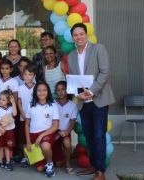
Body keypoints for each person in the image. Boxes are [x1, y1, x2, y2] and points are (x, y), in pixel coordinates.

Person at [68, 23, 115, 180]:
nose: (79, 37)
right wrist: (78, 94)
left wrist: (92, 91)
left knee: (99, 135)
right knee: (88, 135)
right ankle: (94, 166)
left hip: (99, 100)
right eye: (75, 35)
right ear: (72, 37)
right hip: (83, 102)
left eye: (81, 34)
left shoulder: (98, 49)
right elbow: (75, 80)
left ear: (86, 35)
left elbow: (104, 72)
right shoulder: (71, 56)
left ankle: (100, 172)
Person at [25, 82, 59, 177]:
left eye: (44, 90)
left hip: (47, 134)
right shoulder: (31, 105)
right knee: (40, 169)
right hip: (33, 136)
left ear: (48, 92)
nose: (41, 93)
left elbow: (55, 125)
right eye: (39, 90)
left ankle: (50, 164)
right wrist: (28, 142)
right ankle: (44, 160)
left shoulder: (53, 105)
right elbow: (27, 124)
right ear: (35, 92)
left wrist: (41, 135)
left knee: (45, 146)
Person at [52, 81, 77, 175]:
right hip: (54, 132)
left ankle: (68, 163)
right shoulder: (53, 104)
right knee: (58, 165)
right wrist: (57, 132)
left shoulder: (72, 105)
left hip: (65, 133)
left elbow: (72, 122)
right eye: (58, 90)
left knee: (67, 143)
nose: (61, 92)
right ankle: (61, 156)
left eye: (63, 89)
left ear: (67, 90)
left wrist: (67, 132)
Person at [17, 64, 37, 167]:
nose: (27, 76)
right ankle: (26, 157)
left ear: (34, 76)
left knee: (33, 136)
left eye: (30, 74)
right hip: (23, 117)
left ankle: (34, 157)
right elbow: (19, 102)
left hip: (35, 118)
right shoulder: (20, 88)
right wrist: (22, 113)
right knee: (24, 138)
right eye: (25, 74)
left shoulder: (37, 88)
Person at [0, 90, 17, 171]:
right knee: (1, 147)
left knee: (7, 147)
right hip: (0, 131)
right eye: (0, 99)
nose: (1, 101)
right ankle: (0, 162)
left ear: (8, 101)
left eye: (3, 100)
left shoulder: (11, 108)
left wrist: (13, 102)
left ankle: (8, 162)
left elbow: (14, 114)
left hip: (9, 131)